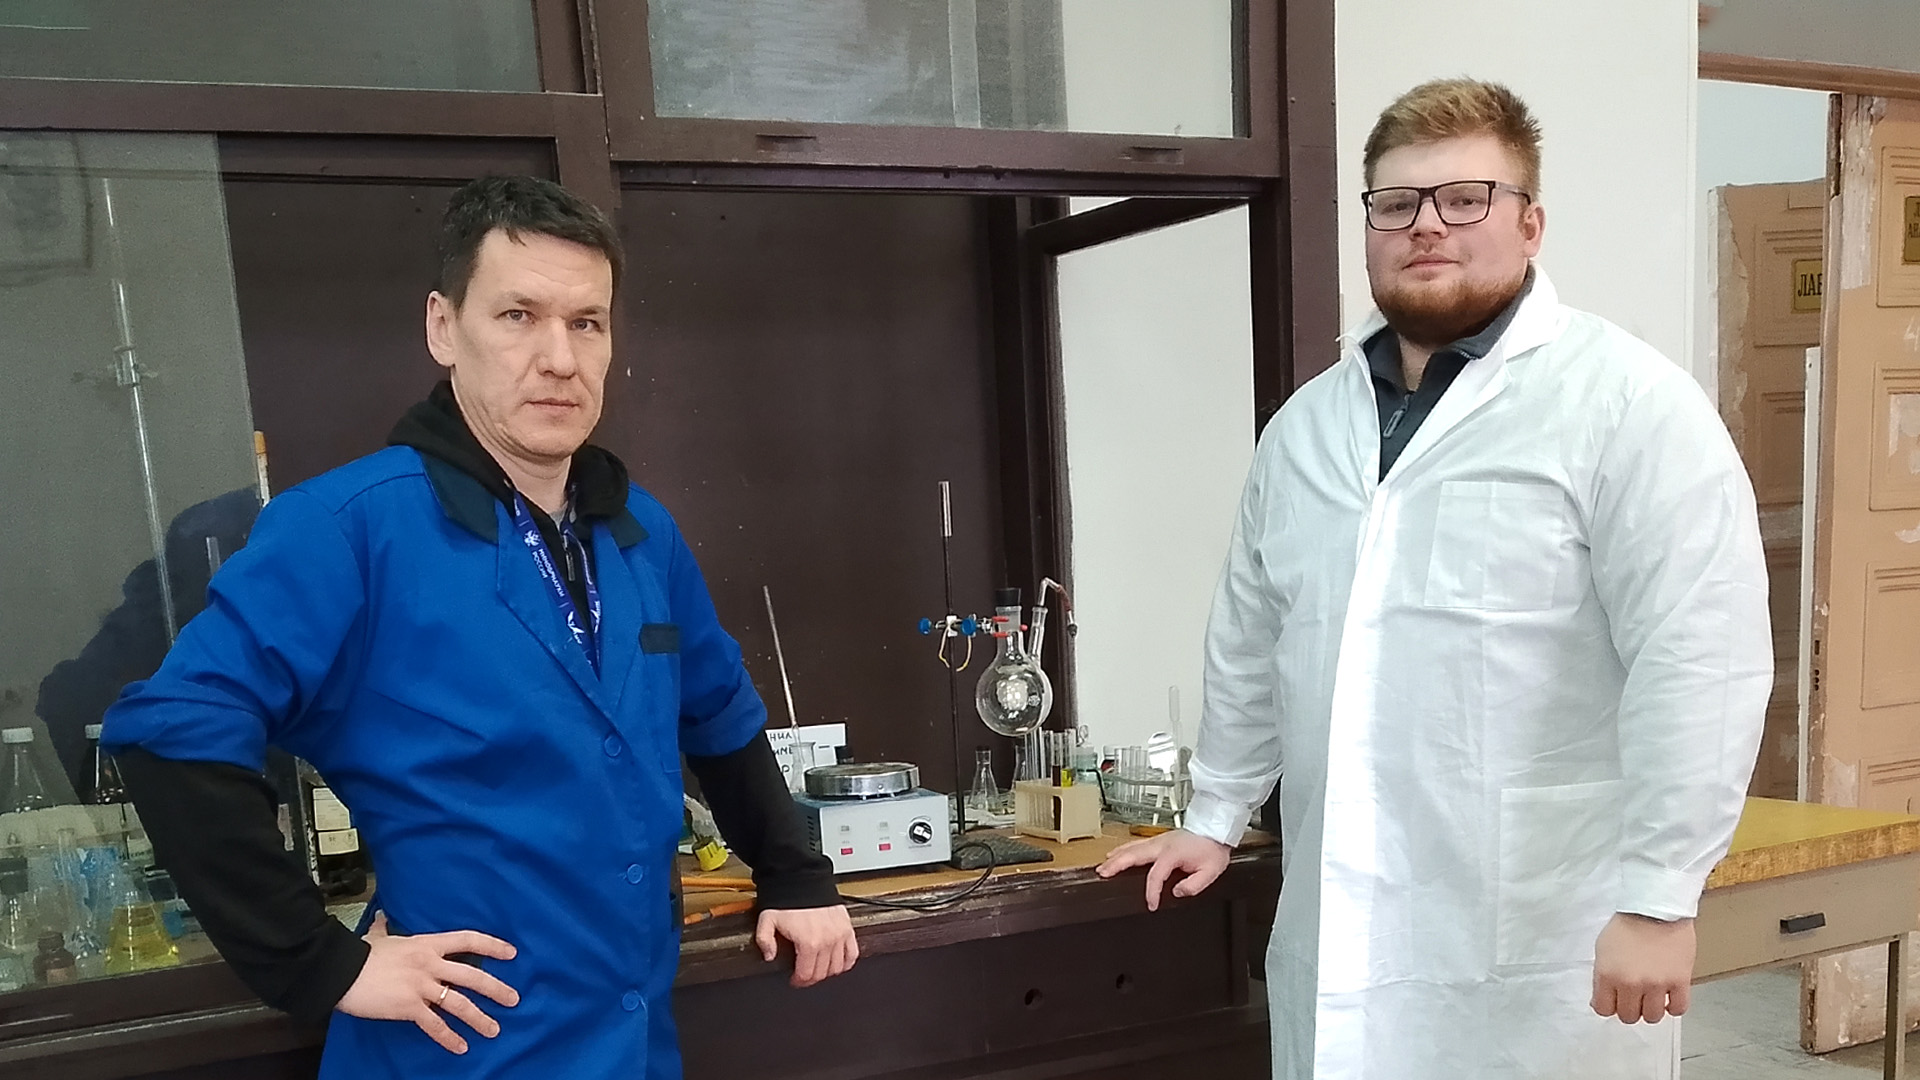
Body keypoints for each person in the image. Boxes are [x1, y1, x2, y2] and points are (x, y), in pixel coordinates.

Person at [102, 175, 858, 1080]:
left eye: (587, 323)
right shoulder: (348, 528)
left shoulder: (638, 532)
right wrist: (319, 962)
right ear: (443, 327)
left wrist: (794, 873)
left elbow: (719, 713)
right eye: (518, 316)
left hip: (633, 1043)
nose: (559, 358)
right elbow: (171, 737)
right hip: (463, 1048)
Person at [1098, 79, 1770, 1079]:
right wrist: (1214, 816)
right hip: (1341, 932)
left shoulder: (1630, 407)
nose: (1427, 225)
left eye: (1466, 199)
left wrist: (1661, 896)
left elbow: (1701, 659)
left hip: (1543, 936)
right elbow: (1254, 634)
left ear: (1530, 224)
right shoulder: (1307, 427)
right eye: (1398, 202)